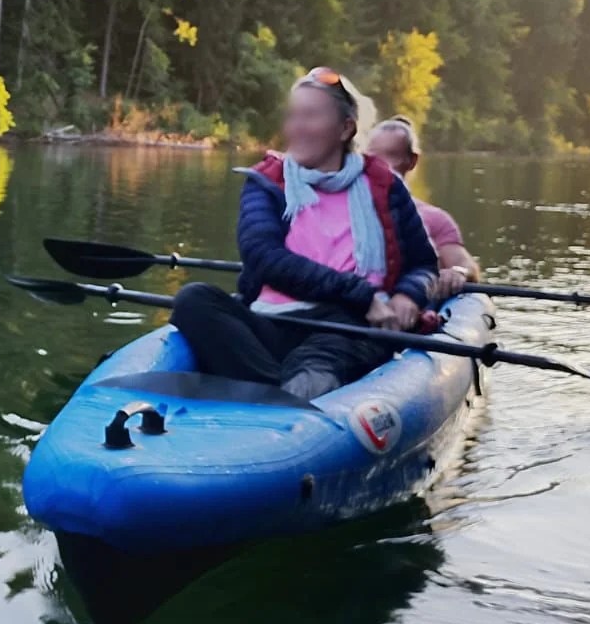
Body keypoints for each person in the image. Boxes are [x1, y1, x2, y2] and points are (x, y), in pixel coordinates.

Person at [171, 68, 439, 400]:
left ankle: (288, 391)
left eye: (310, 116)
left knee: (319, 359)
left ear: (345, 128)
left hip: (351, 326)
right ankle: (282, 388)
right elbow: (264, 258)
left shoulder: (385, 185)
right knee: (193, 299)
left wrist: (407, 296)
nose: (295, 128)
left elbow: (424, 264)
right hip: (273, 322)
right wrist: (359, 292)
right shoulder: (266, 182)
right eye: (293, 116)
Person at [366, 115, 480, 298]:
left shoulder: (434, 218)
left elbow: (467, 266)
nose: (382, 165)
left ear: (411, 161)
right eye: (373, 156)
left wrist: (458, 272)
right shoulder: (342, 208)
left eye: (392, 155)